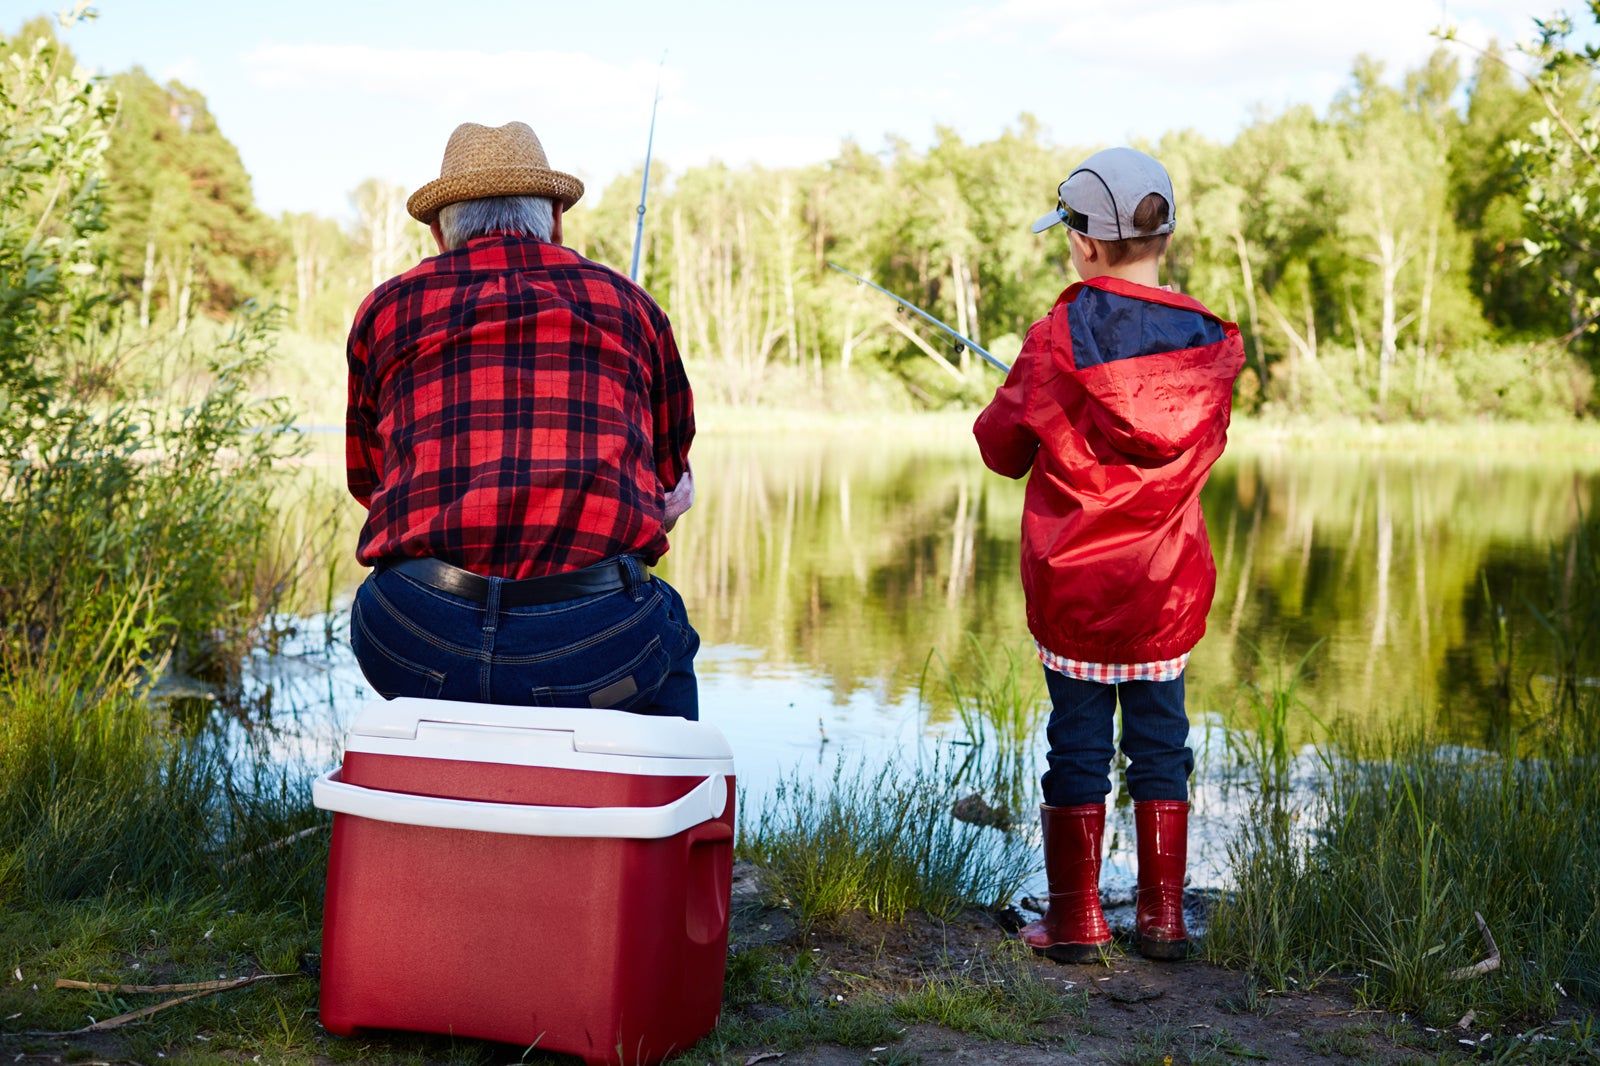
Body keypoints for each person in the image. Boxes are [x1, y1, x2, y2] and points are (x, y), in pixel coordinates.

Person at [973, 147, 1244, 961]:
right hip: (1164, 589)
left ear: (1087, 243)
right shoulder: (1210, 344)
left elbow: (1000, 449)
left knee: (1078, 746)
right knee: (1164, 746)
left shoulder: (1057, 337)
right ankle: (1162, 919)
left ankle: (1076, 921)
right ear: (1164, 231)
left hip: (1079, 588)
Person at [343, 121, 701, 718]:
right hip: (594, 655)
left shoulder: (385, 310)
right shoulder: (630, 306)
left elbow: (369, 479)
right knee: (665, 638)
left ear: (438, 231)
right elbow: (670, 472)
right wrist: (653, 506)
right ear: (556, 217)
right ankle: (663, 805)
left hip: (413, 643)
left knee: (396, 614)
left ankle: (429, 798)